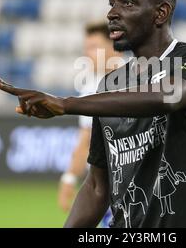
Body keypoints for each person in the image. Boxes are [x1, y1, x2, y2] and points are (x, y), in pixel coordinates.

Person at [0, 0, 186, 228]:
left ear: (160, 13)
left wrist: (66, 104)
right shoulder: (110, 84)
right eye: (111, 3)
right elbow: (97, 186)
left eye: (127, 3)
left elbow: (170, 96)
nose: (112, 13)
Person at [58, 21, 123, 228]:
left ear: (113, 45)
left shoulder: (140, 78)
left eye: (94, 47)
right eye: (86, 49)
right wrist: (69, 178)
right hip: (109, 186)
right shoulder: (91, 86)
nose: (88, 54)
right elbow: (85, 140)